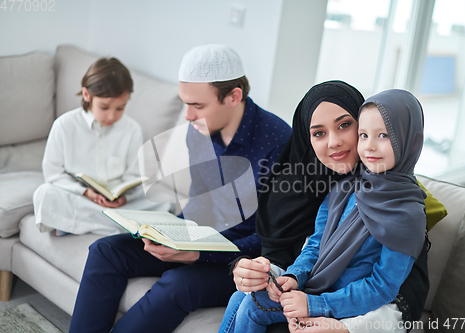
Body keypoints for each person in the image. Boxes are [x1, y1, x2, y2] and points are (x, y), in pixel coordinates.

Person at [68, 44, 291, 333]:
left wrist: (200, 255)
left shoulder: (279, 143)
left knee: (176, 284)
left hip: (239, 262)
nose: (187, 115)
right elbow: (197, 206)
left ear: (234, 96)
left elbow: (273, 242)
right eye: (185, 103)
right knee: (106, 250)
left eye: (197, 106)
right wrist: (169, 236)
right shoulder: (197, 131)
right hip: (197, 240)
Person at [220, 87, 428, 333]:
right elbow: (315, 244)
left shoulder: (406, 209)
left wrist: (318, 306)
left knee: (254, 305)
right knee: (241, 299)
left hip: (344, 305)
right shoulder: (344, 187)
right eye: (364, 135)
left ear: (409, 140)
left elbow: (385, 287)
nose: (369, 146)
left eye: (383, 135)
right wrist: (294, 276)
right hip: (317, 288)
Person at [33, 57, 171, 236]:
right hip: (81, 198)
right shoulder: (64, 125)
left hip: (118, 203)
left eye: (120, 108)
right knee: (45, 194)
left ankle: (80, 224)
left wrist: (124, 198)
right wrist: (85, 193)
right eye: (104, 107)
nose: (112, 116)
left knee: (163, 200)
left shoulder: (132, 129)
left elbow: (134, 175)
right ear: (86, 95)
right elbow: (53, 175)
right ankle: (123, 226)